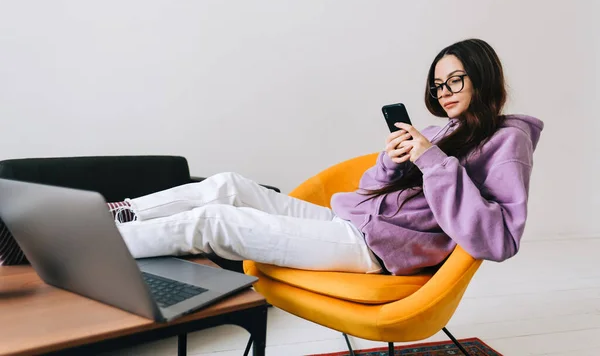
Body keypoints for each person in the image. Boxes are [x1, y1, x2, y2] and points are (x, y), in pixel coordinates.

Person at [112, 38, 544, 276]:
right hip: (350, 222)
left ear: (483, 79)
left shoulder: (508, 141)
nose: (444, 93)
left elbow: (499, 240)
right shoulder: (436, 132)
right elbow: (371, 190)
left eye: (455, 81)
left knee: (216, 222)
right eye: (438, 85)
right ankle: (116, 215)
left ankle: (95, 247)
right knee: (228, 185)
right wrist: (392, 162)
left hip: (375, 249)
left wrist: (432, 161)